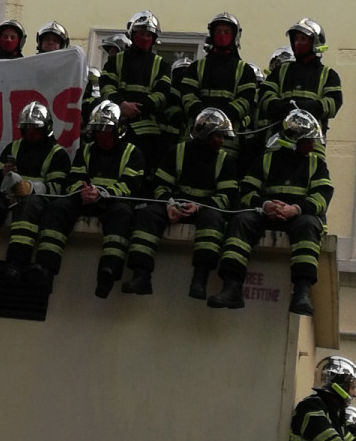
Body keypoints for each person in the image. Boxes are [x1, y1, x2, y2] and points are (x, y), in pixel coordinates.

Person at [209, 108, 332, 314]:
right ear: (294, 139)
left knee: (309, 225)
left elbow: (322, 196)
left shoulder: (316, 164)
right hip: (265, 214)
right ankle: (231, 287)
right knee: (241, 221)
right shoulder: (266, 160)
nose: (312, 146)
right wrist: (265, 205)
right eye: (307, 140)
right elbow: (246, 192)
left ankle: (301, 293)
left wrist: (296, 209)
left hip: (299, 216)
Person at [29, 100, 145, 297]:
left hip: (112, 203)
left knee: (122, 213)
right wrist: (81, 192)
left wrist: (102, 194)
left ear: (118, 130)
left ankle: (108, 273)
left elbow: (130, 185)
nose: (102, 136)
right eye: (98, 131)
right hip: (84, 200)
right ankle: (45, 267)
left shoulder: (132, 152)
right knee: (58, 207)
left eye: (106, 131)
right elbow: (74, 178)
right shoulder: (87, 150)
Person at [122, 108, 238, 299]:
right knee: (148, 214)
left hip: (205, 209)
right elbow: (160, 185)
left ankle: (199, 281)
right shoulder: (177, 151)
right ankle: (141, 276)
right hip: (174, 206)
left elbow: (226, 196)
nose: (221, 141)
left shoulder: (226, 161)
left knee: (213, 218)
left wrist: (200, 206)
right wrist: (169, 205)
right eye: (217, 136)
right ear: (204, 133)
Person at [0, 102, 70, 281]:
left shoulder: (58, 154)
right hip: (7, 196)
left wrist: (31, 188)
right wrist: (2, 174)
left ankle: (16, 264)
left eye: (35, 129)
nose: (31, 134)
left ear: (46, 128)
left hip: (35, 201)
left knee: (29, 206)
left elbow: (58, 188)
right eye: (27, 129)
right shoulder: (14, 147)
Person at [179, 13, 258, 160]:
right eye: (218, 31)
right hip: (197, 136)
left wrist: (219, 120)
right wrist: (203, 116)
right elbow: (187, 95)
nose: (222, 35)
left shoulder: (244, 70)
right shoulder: (196, 67)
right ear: (212, 35)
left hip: (227, 142)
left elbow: (246, 101)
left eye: (227, 32)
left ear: (234, 36)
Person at [99, 11, 171, 170]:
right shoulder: (115, 61)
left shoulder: (162, 65)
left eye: (148, 35)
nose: (145, 38)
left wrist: (137, 109)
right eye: (141, 33)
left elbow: (163, 94)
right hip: (114, 124)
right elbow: (106, 86)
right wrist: (121, 105)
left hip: (148, 132)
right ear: (132, 34)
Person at [258, 19, 342, 146]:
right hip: (279, 142)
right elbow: (264, 96)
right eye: (296, 39)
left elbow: (333, 104)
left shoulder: (329, 75)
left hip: (311, 145)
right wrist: (283, 108)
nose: (298, 43)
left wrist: (306, 107)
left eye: (303, 39)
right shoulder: (282, 70)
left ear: (315, 42)